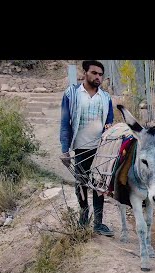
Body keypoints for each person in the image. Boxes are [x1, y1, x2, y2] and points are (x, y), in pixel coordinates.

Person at [60, 60, 115, 236]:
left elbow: (109, 121)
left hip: (101, 149)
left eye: (100, 74)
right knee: (82, 183)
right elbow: (65, 123)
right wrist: (65, 149)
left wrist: (109, 128)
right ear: (85, 73)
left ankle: (98, 223)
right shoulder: (72, 94)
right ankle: (84, 217)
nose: (98, 77)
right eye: (94, 73)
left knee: (99, 184)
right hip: (80, 148)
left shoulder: (105, 98)